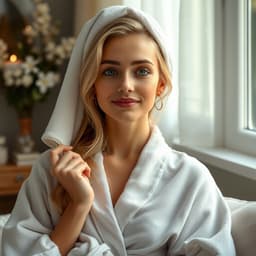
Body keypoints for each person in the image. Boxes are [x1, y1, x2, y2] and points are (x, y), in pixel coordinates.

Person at [1, 5, 236, 256]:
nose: (126, 85)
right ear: (93, 84)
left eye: (142, 71)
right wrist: (79, 205)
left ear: (161, 84)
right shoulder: (52, 170)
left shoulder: (190, 179)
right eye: (110, 72)